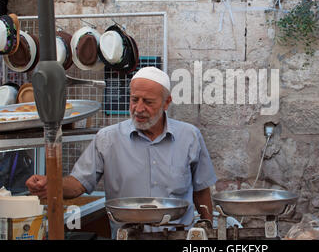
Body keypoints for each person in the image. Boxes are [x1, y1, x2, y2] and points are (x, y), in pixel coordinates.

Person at [26, 66, 217, 237]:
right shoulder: (107, 139)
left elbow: (201, 191)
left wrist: (208, 228)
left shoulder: (189, 136)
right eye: (134, 99)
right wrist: (50, 184)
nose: (139, 109)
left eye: (148, 102)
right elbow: (78, 184)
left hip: (179, 236)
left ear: (167, 103)